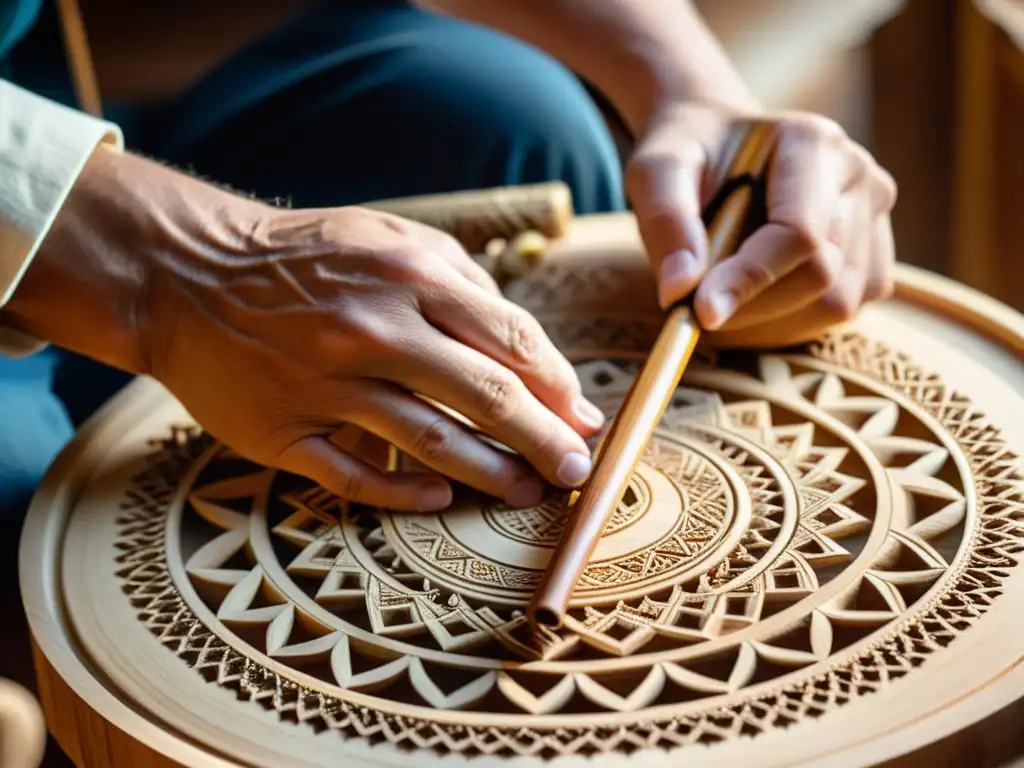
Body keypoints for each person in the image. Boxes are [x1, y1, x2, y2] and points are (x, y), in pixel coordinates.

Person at [0, 0, 897, 519]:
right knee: (32, 524)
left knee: (513, 126)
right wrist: (181, 264)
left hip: (59, 74)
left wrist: (691, 91)